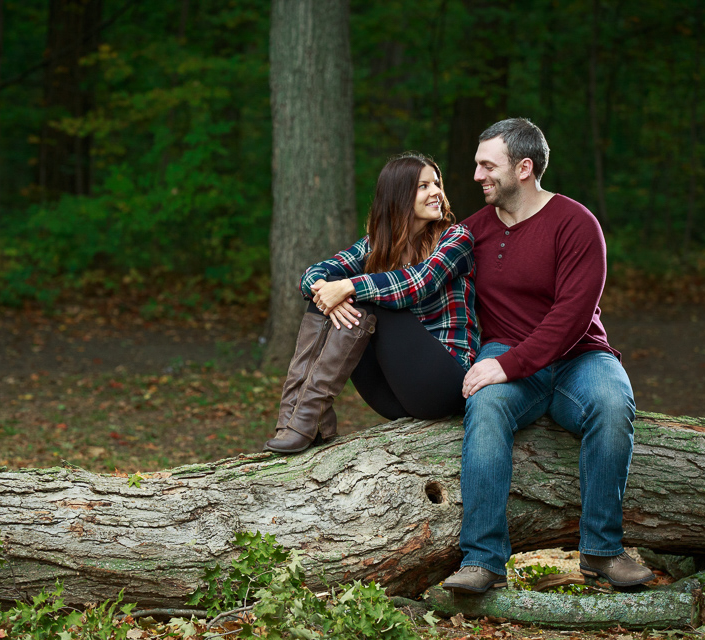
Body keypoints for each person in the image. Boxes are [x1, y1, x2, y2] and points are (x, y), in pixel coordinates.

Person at [442, 118, 655, 592]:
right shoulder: (470, 232)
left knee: (612, 401)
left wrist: (505, 365)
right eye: (476, 164)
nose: (476, 175)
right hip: (508, 352)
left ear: (524, 168)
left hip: (580, 355)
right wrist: (347, 285)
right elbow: (415, 270)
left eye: (486, 165)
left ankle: (602, 551)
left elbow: (571, 316)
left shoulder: (576, 223)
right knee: (487, 404)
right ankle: (482, 559)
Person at [263, 152, 479, 454]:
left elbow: (419, 283)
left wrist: (348, 286)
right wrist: (327, 290)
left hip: (444, 383)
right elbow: (312, 275)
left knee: (367, 298)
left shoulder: (456, 238)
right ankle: (297, 418)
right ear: (398, 196)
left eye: (437, 183)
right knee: (325, 297)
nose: (437, 193)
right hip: (394, 395)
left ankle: (304, 423)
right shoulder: (376, 245)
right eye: (423, 186)